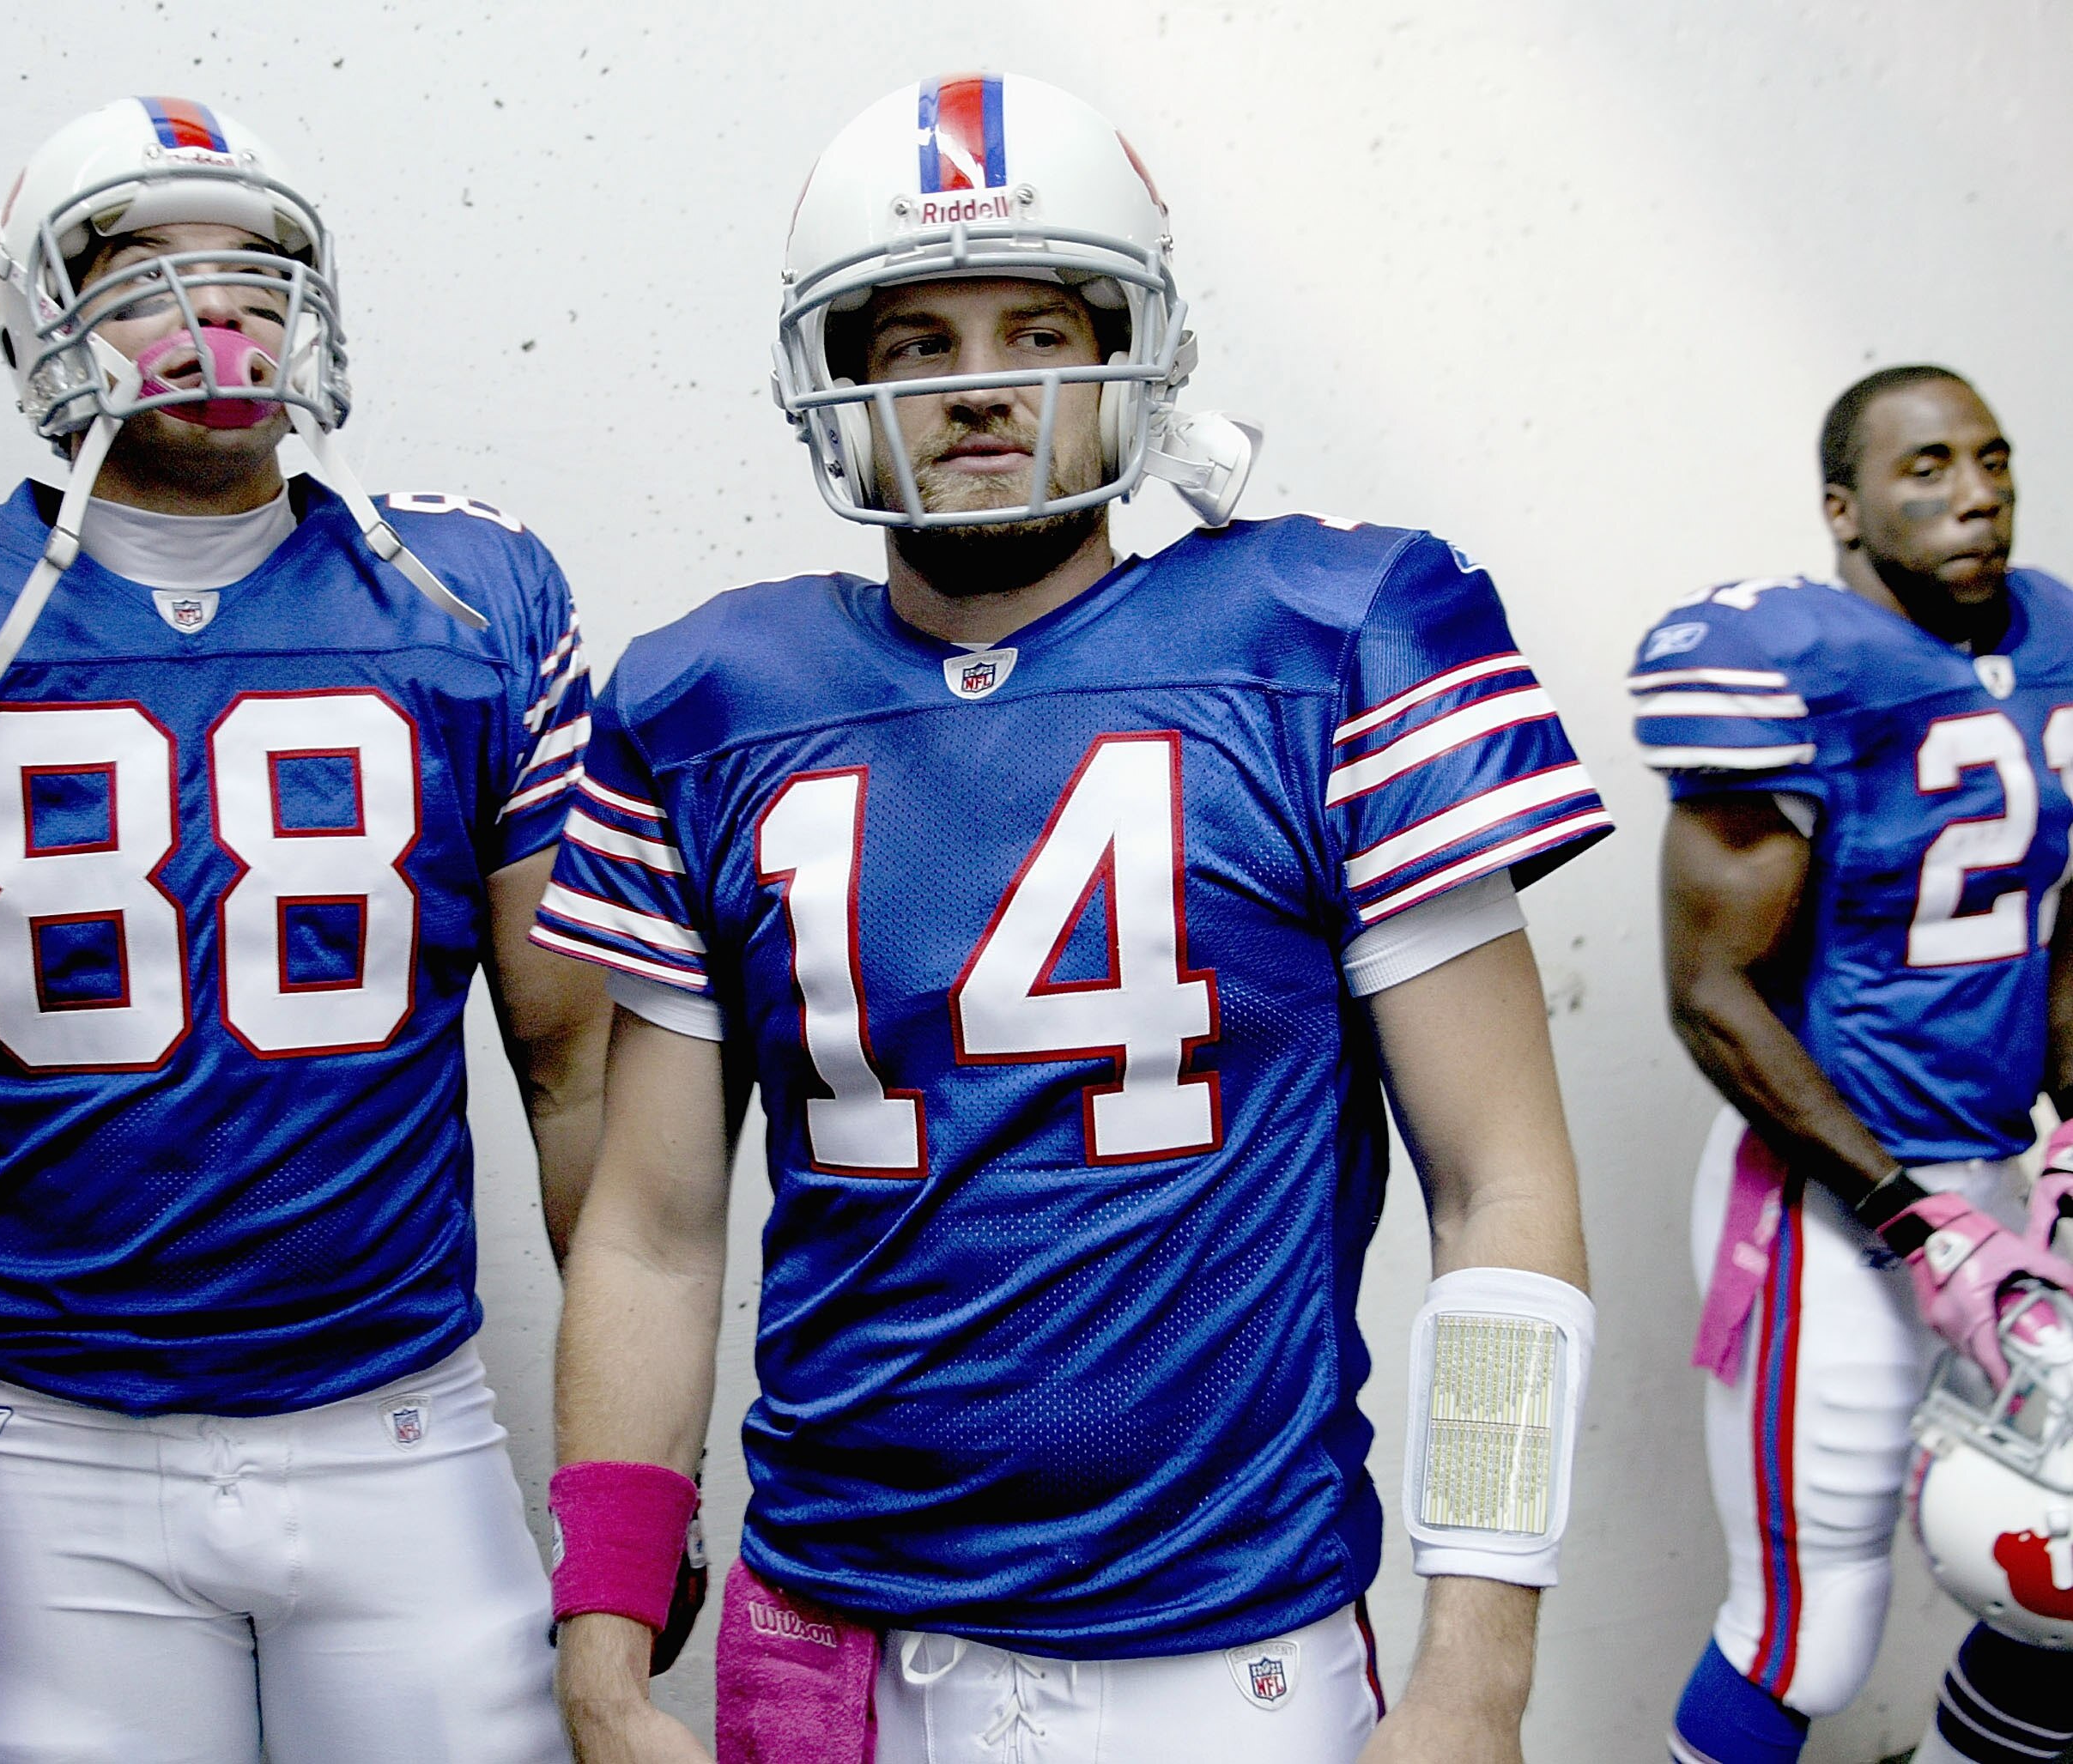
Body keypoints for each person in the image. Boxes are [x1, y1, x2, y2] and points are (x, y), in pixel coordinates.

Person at [535, 74, 1609, 1764]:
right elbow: (653, 1226)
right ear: (842, 384)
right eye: (918, 345)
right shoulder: (710, 698)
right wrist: (601, 1658)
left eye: (1038, 328)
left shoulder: (1330, 635)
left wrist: (1478, 1667)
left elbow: (1502, 1185)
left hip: (1227, 1653)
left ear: (1137, 356)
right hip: (829, 1650)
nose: (981, 388)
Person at [0, 94, 599, 1764]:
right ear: (45, 320)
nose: (215, 311)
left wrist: (629, 1480)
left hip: (404, 1421)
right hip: (49, 1451)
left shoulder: (476, 599)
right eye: (148, 273)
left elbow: (582, 1077)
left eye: (253, 270)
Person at [1637, 364, 2073, 1764]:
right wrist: (1909, 1219)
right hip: (1831, 1210)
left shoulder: (2054, 642)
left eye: (1993, 459)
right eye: (1928, 466)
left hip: (2002, 1182)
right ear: (1845, 507)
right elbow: (1711, 996)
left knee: (2048, 1579)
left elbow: (2052, 940)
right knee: (1807, 1631)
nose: (1977, 494)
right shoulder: (1792, 667)